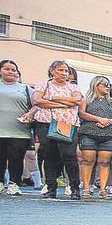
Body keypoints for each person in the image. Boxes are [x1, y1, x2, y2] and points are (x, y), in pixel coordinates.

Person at [31, 60, 83, 200]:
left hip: (67, 124)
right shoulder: (43, 84)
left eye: (66, 71)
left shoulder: (73, 87)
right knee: (49, 156)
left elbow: (77, 100)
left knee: (69, 156)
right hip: (46, 124)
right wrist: (66, 102)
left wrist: (51, 99)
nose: (64, 73)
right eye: (60, 70)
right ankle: (51, 188)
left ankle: (75, 188)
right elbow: (37, 100)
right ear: (52, 70)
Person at [0, 59, 32, 196]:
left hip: (19, 131)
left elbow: (37, 105)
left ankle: (14, 184)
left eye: (13, 70)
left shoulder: (25, 88)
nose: (10, 72)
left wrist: (30, 114)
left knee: (16, 159)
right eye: (7, 69)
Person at [78, 75, 112, 200]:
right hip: (89, 133)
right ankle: (86, 189)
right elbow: (81, 113)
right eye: (104, 84)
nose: (107, 87)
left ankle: (103, 190)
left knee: (105, 162)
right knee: (88, 161)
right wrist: (98, 119)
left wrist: (108, 121)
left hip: (109, 134)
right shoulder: (86, 99)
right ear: (95, 85)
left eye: (108, 84)